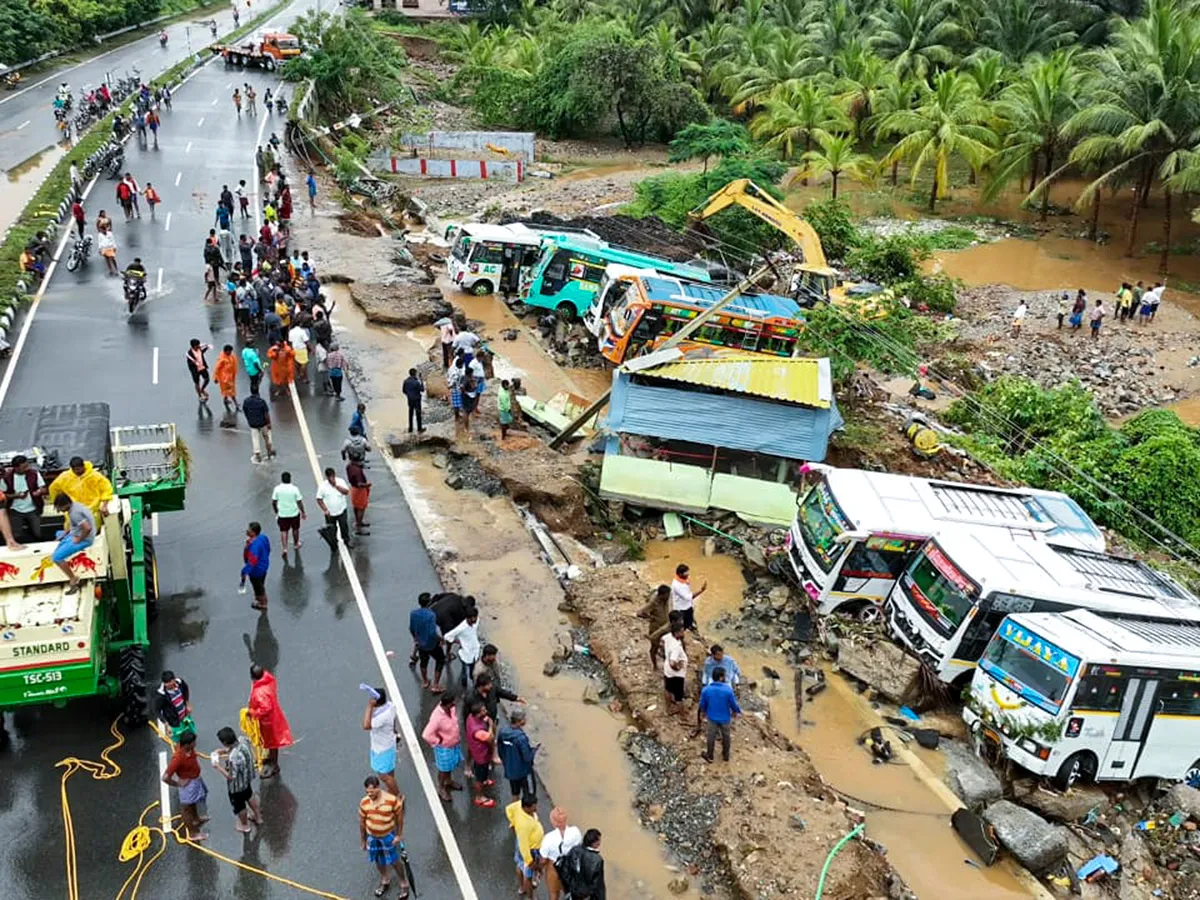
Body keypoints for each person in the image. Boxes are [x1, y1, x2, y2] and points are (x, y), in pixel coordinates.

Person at [359, 774, 410, 899]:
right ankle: (384, 879)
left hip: (387, 836)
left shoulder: (391, 800)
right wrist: (363, 840)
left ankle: (404, 883)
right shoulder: (364, 802)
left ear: (378, 787)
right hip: (373, 836)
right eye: (367, 792)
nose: (369, 794)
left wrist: (398, 835)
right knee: (378, 858)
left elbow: (399, 817)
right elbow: (362, 822)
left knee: (394, 860)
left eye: (372, 791)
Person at [212, 726, 261, 834]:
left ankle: (244, 825)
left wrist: (217, 766)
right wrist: (225, 751)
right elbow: (242, 745)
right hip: (247, 778)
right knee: (249, 795)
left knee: (240, 806)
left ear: (224, 742)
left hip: (236, 787)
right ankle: (258, 817)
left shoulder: (233, 758)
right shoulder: (243, 740)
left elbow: (231, 776)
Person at [162, 731, 208, 841]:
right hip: (188, 785)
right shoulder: (178, 758)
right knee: (186, 808)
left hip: (195, 780)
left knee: (193, 803)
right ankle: (193, 834)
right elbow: (165, 777)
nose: (195, 744)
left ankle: (196, 819)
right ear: (187, 744)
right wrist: (178, 784)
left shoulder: (189, 750)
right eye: (193, 742)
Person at [247, 665, 292, 778]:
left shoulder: (259, 692)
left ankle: (274, 765)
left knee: (272, 743)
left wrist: (252, 712)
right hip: (274, 716)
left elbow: (265, 708)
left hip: (268, 722)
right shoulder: (268, 680)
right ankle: (272, 760)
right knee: (272, 742)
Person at [48, 455, 114, 523]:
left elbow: (106, 489)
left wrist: (104, 505)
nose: (77, 471)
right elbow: (53, 489)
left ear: (83, 466)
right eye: (75, 470)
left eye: (79, 469)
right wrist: (59, 504)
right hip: (73, 511)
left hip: (92, 510)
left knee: (91, 529)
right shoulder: (65, 477)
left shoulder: (95, 476)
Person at [422, 693, 463, 802]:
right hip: (444, 747)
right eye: (452, 703)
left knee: (450, 766)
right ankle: (440, 787)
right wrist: (437, 740)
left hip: (454, 744)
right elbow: (426, 734)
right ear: (447, 704)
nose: (454, 704)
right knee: (443, 769)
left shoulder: (451, 709)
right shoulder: (437, 718)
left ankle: (448, 781)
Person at [51, 494, 94, 595]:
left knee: (56, 557)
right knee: (58, 534)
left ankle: (73, 578)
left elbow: (87, 528)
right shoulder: (75, 505)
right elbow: (75, 524)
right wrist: (65, 533)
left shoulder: (75, 513)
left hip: (84, 538)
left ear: (64, 505)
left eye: (59, 508)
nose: (60, 511)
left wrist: (79, 539)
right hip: (75, 533)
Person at [505, 791, 544, 898]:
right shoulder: (523, 825)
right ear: (527, 807)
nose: (536, 808)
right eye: (534, 806)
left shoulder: (518, 805)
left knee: (519, 865)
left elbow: (508, 809)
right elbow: (523, 846)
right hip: (529, 850)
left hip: (524, 843)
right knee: (528, 875)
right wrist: (529, 861)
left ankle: (522, 887)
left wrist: (513, 823)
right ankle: (530, 896)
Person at [363, 688, 402, 795]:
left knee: (384, 776)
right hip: (389, 744)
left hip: (382, 749)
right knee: (389, 771)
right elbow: (394, 720)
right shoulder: (390, 706)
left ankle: (397, 795)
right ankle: (392, 791)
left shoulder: (381, 717)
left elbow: (366, 725)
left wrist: (369, 706)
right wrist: (394, 731)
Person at [699, 665, 742, 763]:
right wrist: (736, 711)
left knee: (711, 736)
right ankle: (726, 756)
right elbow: (733, 704)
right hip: (725, 718)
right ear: (721, 677)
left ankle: (710, 756)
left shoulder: (706, 690)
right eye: (724, 676)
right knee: (726, 736)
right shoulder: (728, 690)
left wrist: (703, 713)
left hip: (712, 717)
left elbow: (702, 704)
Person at [540, 807, 583, 900]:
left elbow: (543, 860)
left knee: (553, 893)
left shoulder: (548, 838)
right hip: (570, 866)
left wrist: (539, 869)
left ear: (554, 822)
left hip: (554, 867)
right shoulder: (575, 831)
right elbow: (579, 848)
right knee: (570, 892)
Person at [498, 707, 537, 800]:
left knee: (514, 793)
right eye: (524, 718)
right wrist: (534, 750)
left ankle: (514, 812)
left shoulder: (503, 732)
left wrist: (505, 762)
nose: (525, 720)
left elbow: (500, 751)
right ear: (520, 721)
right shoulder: (521, 738)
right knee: (528, 794)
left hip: (510, 769)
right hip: (522, 771)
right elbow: (527, 757)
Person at [4, 455, 45, 543]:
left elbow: (43, 488)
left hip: (33, 508)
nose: (27, 468)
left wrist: (38, 492)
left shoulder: (34, 473)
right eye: (24, 467)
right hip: (15, 510)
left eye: (27, 465)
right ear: (16, 468)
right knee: (17, 535)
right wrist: (15, 496)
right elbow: (3, 495)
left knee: (38, 534)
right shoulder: (7, 477)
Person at [465, 698, 497, 808]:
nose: (486, 712)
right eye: (483, 711)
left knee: (482, 775)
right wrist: (491, 725)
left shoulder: (470, 718)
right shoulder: (478, 731)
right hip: (481, 756)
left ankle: (484, 780)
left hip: (476, 750)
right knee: (479, 777)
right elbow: (490, 738)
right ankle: (480, 797)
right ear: (478, 714)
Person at [409, 597, 444, 692]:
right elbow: (433, 632)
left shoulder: (413, 613)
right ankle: (435, 684)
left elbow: (411, 628)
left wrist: (416, 639)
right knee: (440, 660)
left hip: (421, 643)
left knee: (423, 662)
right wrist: (441, 639)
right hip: (432, 643)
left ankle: (425, 681)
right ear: (429, 602)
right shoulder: (431, 615)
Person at [561, 829, 605, 899]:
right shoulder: (598, 860)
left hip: (574, 892)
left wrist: (572, 886)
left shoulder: (574, 850)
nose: (600, 843)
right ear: (594, 843)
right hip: (587, 895)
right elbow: (598, 885)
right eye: (599, 840)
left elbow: (565, 871)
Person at [444, 606, 481, 687]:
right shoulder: (461, 628)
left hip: (475, 651)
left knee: (473, 670)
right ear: (467, 618)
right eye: (472, 619)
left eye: (475, 617)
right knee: (464, 672)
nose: (474, 620)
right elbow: (447, 636)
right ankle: (464, 685)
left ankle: (473, 681)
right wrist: (458, 641)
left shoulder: (476, 621)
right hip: (466, 653)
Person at [316, 466, 352, 549]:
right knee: (332, 529)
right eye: (329, 477)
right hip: (330, 513)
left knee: (344, 526)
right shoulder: (323, 486)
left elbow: (346, 492)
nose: (331, 479)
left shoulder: (341, 481)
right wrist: (325, 509)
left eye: (332, 476)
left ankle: (346, 541)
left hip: (341, 510)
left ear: (334, 475)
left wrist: (336, 486)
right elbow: (319, 499)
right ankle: (333, 544)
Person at [271, 472, 306, 557]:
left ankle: (285, 548)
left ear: (282, 479)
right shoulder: (294, 489)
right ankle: (296, 544)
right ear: (290, 479)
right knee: (295, 529)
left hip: (282, 514)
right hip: (294, 513)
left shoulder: (277, 489)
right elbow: (299, 502)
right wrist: (303, 512)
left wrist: (276, 511)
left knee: (284, 531)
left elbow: (274, 502)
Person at [155, 670, 194, 743]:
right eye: (167, 683)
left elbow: (186, 689)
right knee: (178, 741)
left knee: (189, 734)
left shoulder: (180, 683)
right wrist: (166, 725)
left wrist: (187, 703)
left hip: (184, 715)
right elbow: (157, 711)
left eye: (171, 681)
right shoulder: (161, 696)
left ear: (174, 679)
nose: (169, 684)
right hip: (174, 721)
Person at [240, 521, 270, 611]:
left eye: (249, 530)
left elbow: (252, 562)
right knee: (261, 583)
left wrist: (244, 572)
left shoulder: (254, 546)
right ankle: (260, 597)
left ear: (253, 532)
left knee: (258, 587)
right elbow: (268, 549)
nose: (247, 531)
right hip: (264, 566)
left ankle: (262, 604)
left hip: (256, 571)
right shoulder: (263, 537)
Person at [640, 584, 671, 665]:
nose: (669, 596)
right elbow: (640, 613)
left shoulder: (665, 600)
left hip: (666, 628)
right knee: (654, 648)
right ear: (662, 595)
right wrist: (650, 618)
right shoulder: (653, 602)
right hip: (656, 629)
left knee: (668, 646)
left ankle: (666, 662)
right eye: (667, 595)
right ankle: (655, 665)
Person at [661, 621, 688, 715]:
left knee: (667, 689)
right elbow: (673, 662)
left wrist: (665, 654)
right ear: (677, 632)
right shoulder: (676, 646)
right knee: (679, 696)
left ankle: (668, 709)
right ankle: (683, 716)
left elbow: (662, 641)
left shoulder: (668, 636)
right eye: (682, 631)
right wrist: (678, 667)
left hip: (667, 669)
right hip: (676, 674)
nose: (683, 633)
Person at [242, 386, 274, 463]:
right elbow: (266, 413)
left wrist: (249, 419)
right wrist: (269, 423)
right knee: (266, 436)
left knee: (255, 438)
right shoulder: (261, 401)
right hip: (262, 422)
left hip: (253, 423)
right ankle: (269, 451)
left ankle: (257, 454)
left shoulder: (246, 401)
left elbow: (245, 411)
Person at [670, 563, 706, 632]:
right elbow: (690, 597)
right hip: (681, 608)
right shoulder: (677, 586)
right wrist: (701, 590)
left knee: (690, 618)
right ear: (680, 574)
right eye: (686, 573)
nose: (688, 575)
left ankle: (690, 626)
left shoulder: (684, 578)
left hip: (688, 605)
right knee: (683, 624)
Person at [347, 458, 371, 535]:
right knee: (361, 508)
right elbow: (360, 484)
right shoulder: (357, 470)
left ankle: (358, 522)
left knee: (356, 507)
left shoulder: (349, 466)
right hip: (360, 490)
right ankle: (359, 527)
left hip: (354, 489)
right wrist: (368, 484)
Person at [213, 345, 238, 416]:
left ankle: (225, 400)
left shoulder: (231, 356)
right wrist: (216, 378)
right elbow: (217, 369)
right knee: (232, 391)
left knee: (227, 391)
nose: (230, 352)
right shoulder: (222, 359)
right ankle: (236, 404)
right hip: (224, 379)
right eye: (229, 351)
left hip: (230, 377)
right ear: (225, 351)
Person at [402, 368, 424, 434]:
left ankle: (410, 428)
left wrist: (409, 395)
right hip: (417, 400)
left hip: (410, 400)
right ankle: (419, 429)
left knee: (410, 414)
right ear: (414, 374)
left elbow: (404, 391)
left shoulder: (405, 381)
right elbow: (422, 389)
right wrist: (421, 381)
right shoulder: (416, 382)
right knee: (418, 415)